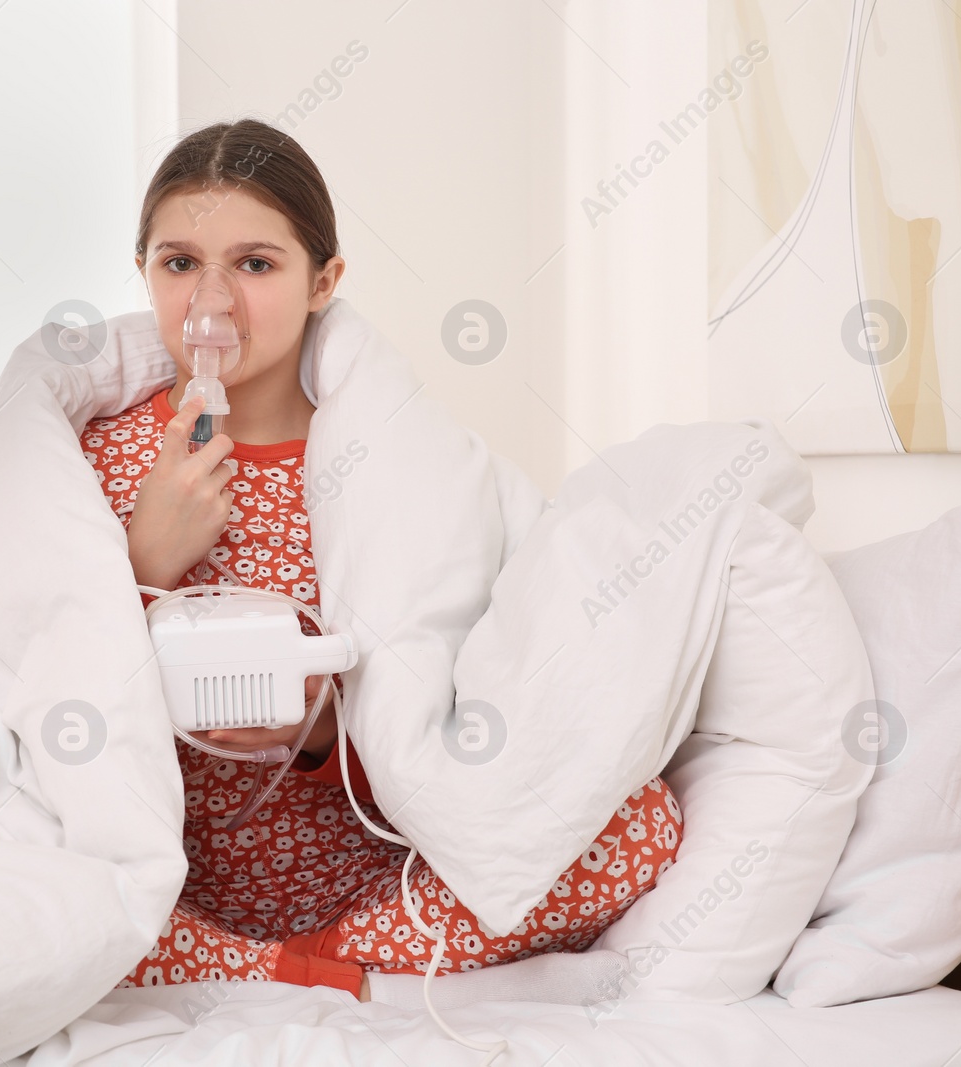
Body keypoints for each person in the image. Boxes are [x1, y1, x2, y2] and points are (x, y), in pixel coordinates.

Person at [84, 118, 682, 1005]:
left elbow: (477, 689)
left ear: (323, 281)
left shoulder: (399, 462)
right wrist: (145, 560)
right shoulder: (93, 458)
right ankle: (313, 978)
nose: (211, 302)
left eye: (255, 264)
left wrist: (326, 732)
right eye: (179, 263)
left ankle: (311, 966)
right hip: (157, 885)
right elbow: (34, 695)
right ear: (143, 272)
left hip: (373, 882)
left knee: (638, 825)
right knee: (0, 871)